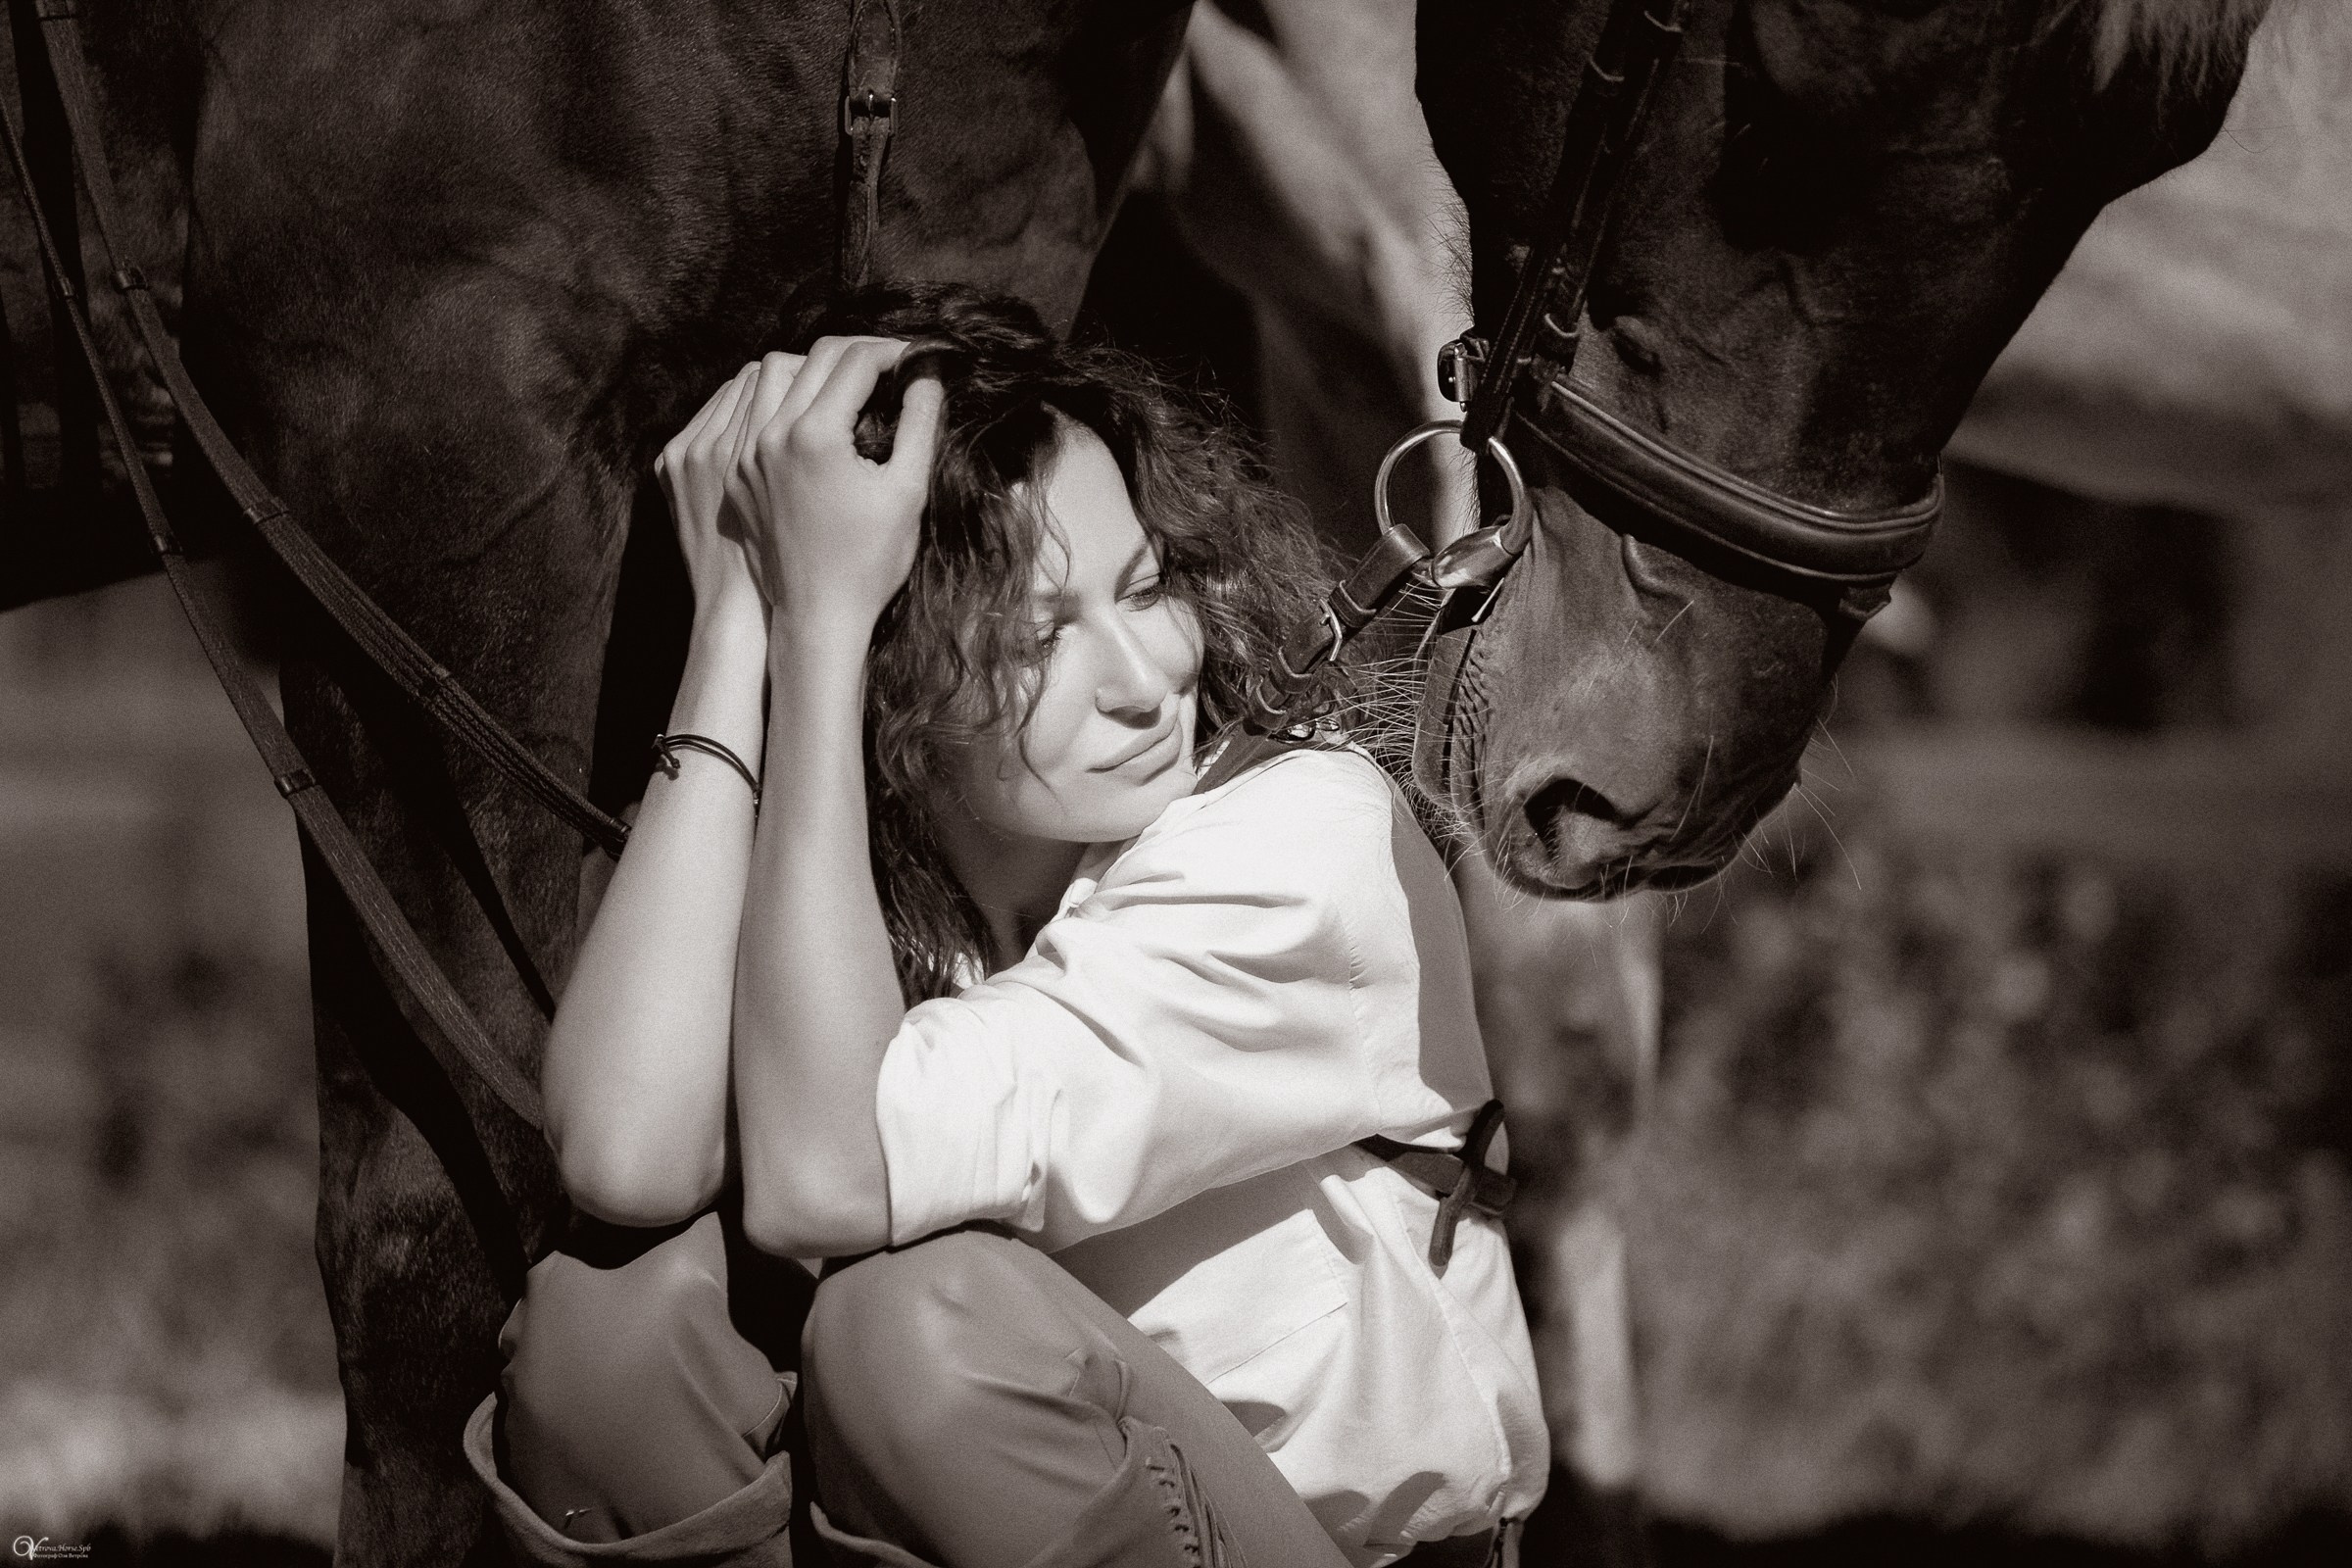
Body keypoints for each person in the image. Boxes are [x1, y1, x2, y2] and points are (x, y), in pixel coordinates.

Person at [459, 284, 1547, 1568]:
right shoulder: (846, 885)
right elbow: (626, 1160)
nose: (1149, 683)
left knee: (912, 1323)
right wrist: (741, 616)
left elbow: (829, 1181)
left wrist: (816, 640)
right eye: (1041, 634)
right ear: (889, 666)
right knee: (606, 1332)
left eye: (1145, 591)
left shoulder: (1303, 838)